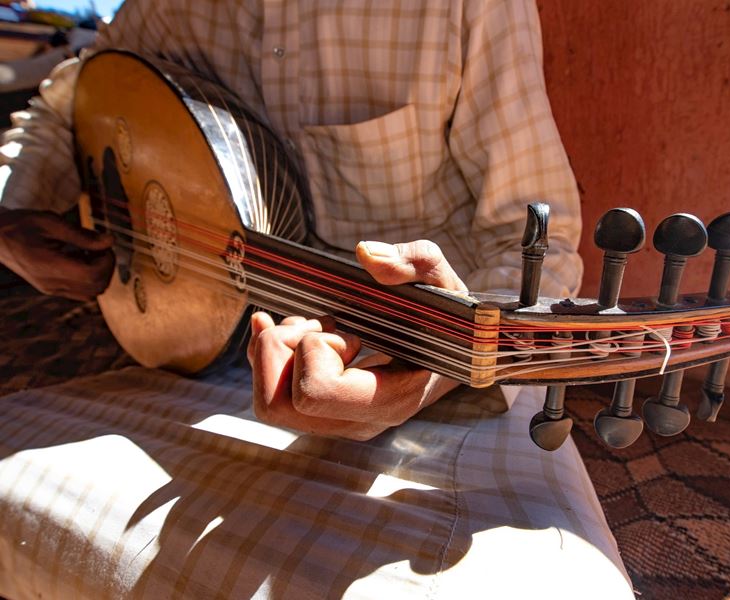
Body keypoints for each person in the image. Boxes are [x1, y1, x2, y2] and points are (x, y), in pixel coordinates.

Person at [0, 1, 632, 598]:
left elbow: (535, 245)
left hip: (443, 370)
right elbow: (60, 109)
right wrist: (9, 220)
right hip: (186, 357)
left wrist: (431, 374)